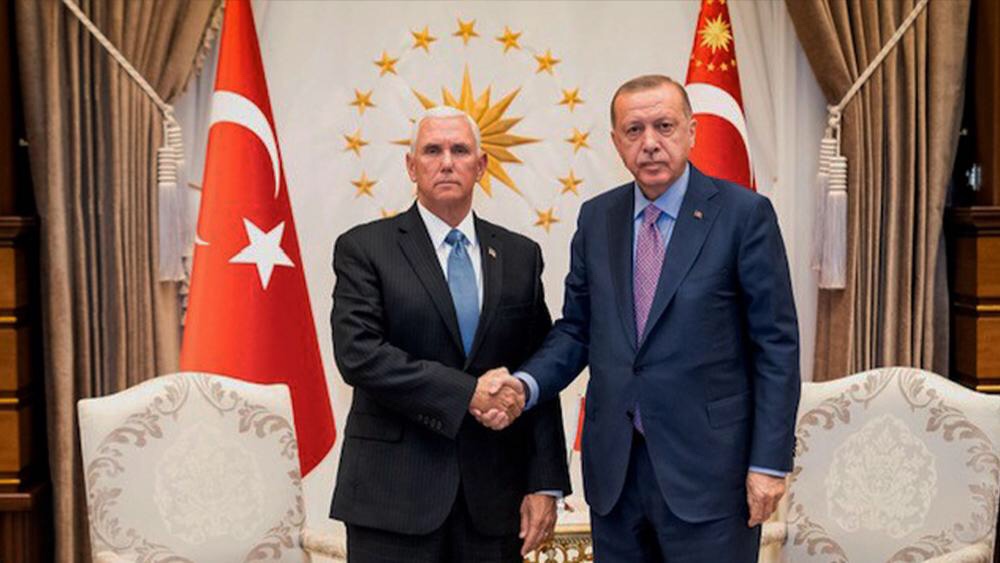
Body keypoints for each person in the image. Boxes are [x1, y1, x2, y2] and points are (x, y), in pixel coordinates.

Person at [477, 75, 800, 562]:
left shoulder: (743, 215)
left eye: (664, 126)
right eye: (634, 130)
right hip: (616, 474)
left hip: (712, 475)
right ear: (616, 143)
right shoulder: (596, 219)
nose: (649, 143)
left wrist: (769, 464)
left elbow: (775, 346)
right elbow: (577, 330)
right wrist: (524, 386)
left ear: (691, 131)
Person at [330, 106, 570, 563]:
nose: (446, 162)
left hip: (495, 503)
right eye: (432, 151)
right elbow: (358, 354)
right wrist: (467, 393)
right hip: (392, 499)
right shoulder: (364, 248)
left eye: (460, 150)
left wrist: (545, 482)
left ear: (481, 166)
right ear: (411, 166)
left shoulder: (520, 255)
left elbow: (537, 371)